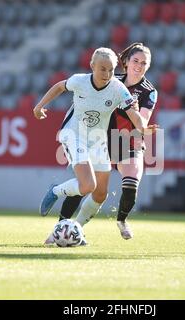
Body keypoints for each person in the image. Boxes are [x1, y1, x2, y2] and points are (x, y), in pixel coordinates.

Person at [33, 47, 158, 246]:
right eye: (102, 69)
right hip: (74, 135)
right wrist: (39, 106)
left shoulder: (118, 88)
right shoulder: (80, 80)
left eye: (110, 70)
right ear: (92, 66)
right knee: (87, 186)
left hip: (98, 140)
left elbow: (135, 115)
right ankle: (56, 191)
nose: (107, 74)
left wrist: (143, 129)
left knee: (100, 193)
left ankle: (76, 231)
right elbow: (59, 86)